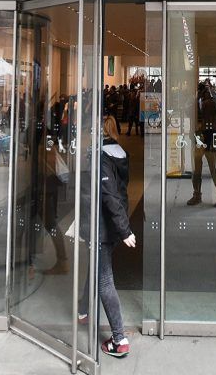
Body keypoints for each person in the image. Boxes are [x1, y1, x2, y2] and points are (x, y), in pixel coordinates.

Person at [78, 116, 136, 358]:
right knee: (98, 264)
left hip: (103, 224)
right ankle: (83, 309)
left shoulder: (101, 157)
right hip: (111, 224)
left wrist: (124, 230)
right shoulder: (120, 153)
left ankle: (119, 338)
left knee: (104, 279)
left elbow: (108, 194)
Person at [188, 83, 216, 207]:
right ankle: (197, 194)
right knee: (197, 170)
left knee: (214, 169)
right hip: (199, 136)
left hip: (209, 137)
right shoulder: (196, 102)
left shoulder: (212, 102)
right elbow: (188, 113)